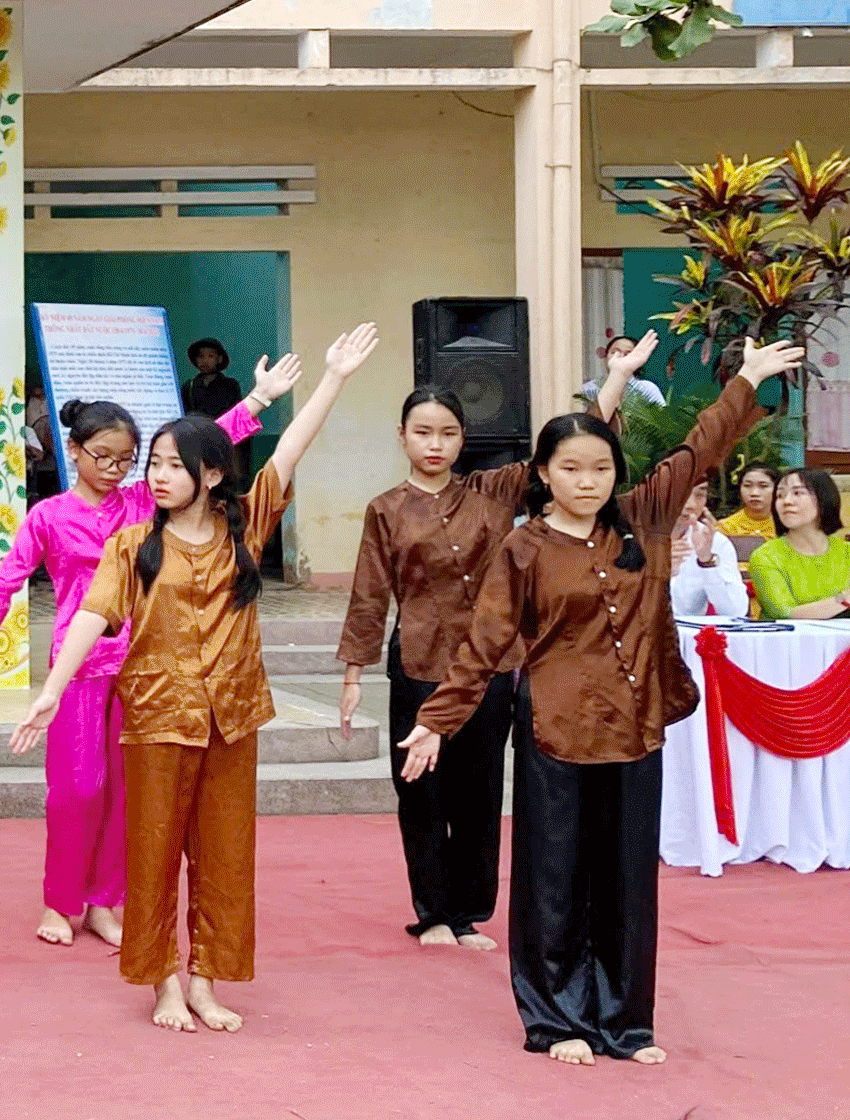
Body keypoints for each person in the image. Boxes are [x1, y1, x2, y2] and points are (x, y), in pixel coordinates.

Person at [399, 336, 801, 1067]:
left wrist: (746, 376)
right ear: (545, 476)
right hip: (555, 731)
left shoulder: (644, 519)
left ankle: (626, 1020)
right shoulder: (523, 550)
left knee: (626, 882)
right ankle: (556, 1018)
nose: (587, 482)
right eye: (571, 470)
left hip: (638, 729)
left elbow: (700, 446)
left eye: (600, 469)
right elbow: (484, 645)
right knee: (553, 880)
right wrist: (435, 721)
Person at [14, 322, 381, 1035]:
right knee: (150, 857)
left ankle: (208, 980)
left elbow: (294, 447)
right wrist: (52, 690)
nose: (155, 475)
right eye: (154, 464)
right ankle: (163, 985)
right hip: (155, 718)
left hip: (231, 717)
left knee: (223, 859)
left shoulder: (245, 529)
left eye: (173, 465)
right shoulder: (132, 544)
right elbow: (91, 616)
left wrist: (332, 377)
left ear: (211, 474)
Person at [0, 359, 295, 949]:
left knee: (128, 792)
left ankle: (104, 902)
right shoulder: (48, 517)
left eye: (127, 460)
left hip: (143, 669)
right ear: (73, 451)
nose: (117, 469)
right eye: (103, 456)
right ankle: (60, 900)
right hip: (78, 673)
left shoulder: (141, 505)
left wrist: (256, 402)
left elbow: (200, 452)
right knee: (77, 788)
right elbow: (4, 583)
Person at [336, 337, 648, 951]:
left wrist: (615, 379)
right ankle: (431, 913)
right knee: (420, 793)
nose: (435, 445)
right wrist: (352, 676)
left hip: (494, 667)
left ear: (462, 439)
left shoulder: (494, 491)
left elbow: (576, 445)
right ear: (401, 435)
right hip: (420, 665)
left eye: (448, 433)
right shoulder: (386, 510)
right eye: (423, 432)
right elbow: (370, 593)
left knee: (479, 794)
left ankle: (467, 912)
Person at [746, 467, 850, 619]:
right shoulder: (766, 557)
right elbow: (784, 613)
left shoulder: (846, 552)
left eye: (798, 493)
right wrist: (844, 599)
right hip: (789, 640)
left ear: (824, 499)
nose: (786, 502)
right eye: (780, 495)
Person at [668, 481, 747, 618]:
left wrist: (706, 561)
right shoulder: (631, 537)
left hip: (687, 635)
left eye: (699, 495)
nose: (690, 505)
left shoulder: (714, 541)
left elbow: (736, 612)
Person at [577, 335, 667, 410]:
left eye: (628, 354)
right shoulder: (589, 388)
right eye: (614, 352)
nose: (620, 357)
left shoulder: (646, 389)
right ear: (605, 357)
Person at [179, 338, 242, 421]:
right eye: (200, 356)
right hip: (196, 432)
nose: (205, 361)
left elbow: (237, 415)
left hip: (222, 431)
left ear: (219, 359)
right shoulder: (189, 386)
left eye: (210, 356)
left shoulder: (230, 385)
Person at [718, 461, 780, 543]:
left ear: (777, 489)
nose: (754, 493)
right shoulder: (725, 527)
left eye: (763, 486)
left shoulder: (788, 525)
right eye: (747, 485)